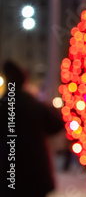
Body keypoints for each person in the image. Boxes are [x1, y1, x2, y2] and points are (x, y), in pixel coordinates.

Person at [0, 61, 65, 197]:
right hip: (35, 172)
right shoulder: (33, 104)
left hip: (9, 172)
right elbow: (56, 125)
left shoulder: (3, 104)